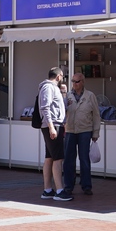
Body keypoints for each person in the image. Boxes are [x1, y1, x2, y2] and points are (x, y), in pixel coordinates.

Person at [63, 73, 101, 196]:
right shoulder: (67, 96)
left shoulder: (90, 96)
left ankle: (86, 185)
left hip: (85, 130)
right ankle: (68, 185)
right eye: (73, 81)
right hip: (70, 130)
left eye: (77, 81)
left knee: (84, 159)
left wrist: (96, 132)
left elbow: (96, 115)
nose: (74, 84)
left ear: (83, 82)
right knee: (69, 159)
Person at [38, 68, 70, 201]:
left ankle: (48, 190)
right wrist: (52, 127)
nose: (63, 78)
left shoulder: (51, 88)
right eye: (62, 76)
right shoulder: (48, 88)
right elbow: (45, 107)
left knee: (50, 157)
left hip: (54, 125)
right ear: (58, 76)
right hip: (53, 125)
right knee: (58, 158)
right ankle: (59, 190)